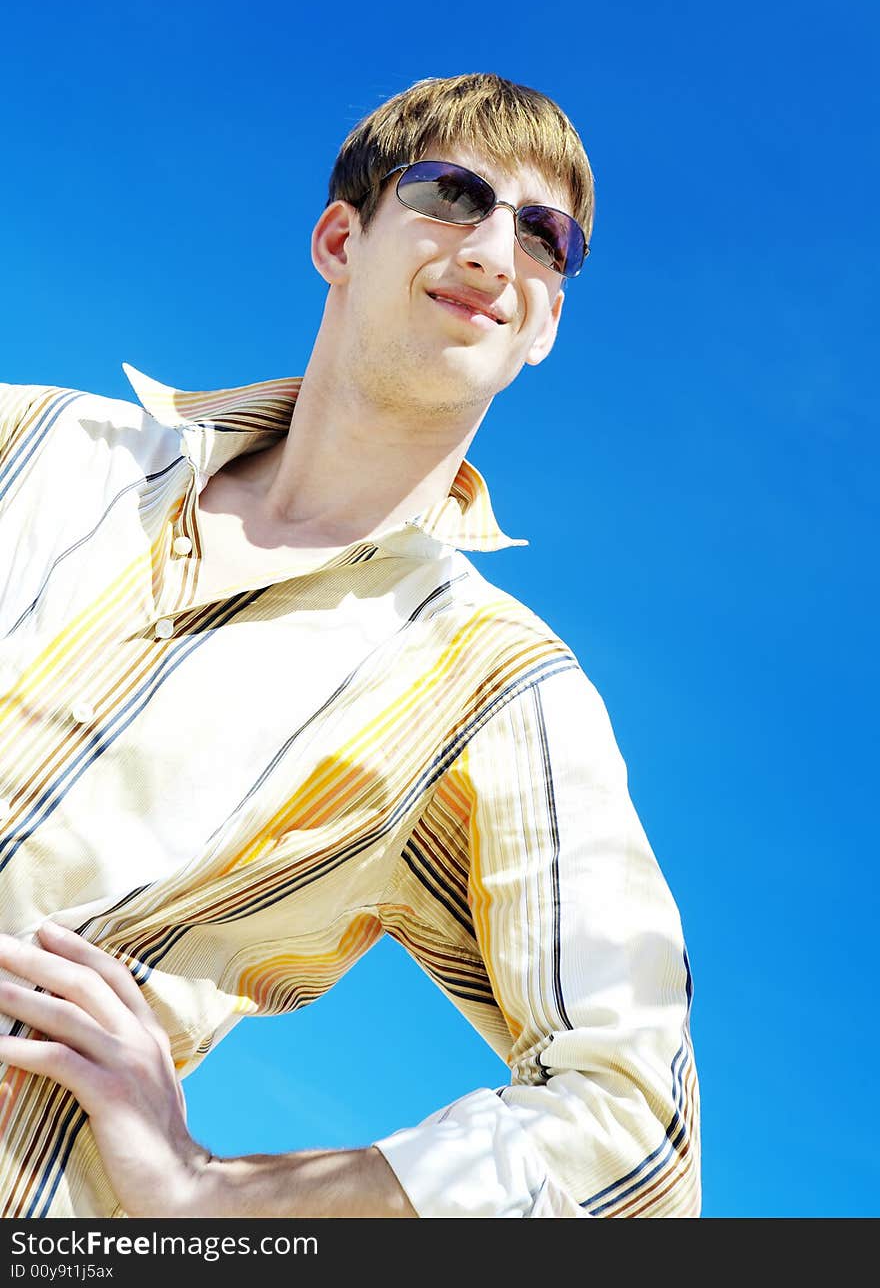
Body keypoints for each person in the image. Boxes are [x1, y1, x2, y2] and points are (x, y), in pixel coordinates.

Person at [0, 73, 701, 1219]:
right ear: (339, 235)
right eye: (452, 193)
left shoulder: (492, 686)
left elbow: (634, 1132)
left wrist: (212, 1196)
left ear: (546, 320)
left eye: (544, 234)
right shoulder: (33, 445)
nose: (492, 247)